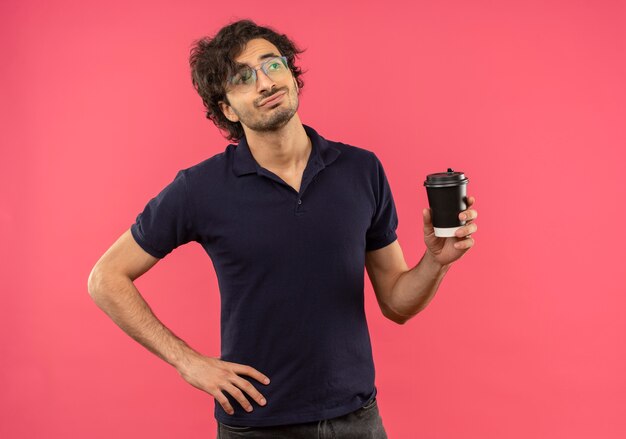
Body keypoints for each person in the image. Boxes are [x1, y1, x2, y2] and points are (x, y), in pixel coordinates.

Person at [87, 19, 478, 439]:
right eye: (242, 78)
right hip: (256, 426)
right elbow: (105, 278)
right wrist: (187, 361)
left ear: (292, 73)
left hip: (357, 420)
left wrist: (436, 263)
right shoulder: (199, 188)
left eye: (272, 65)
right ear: (227, 108)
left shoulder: (361, 170)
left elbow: (397, 304)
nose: (265, 83)